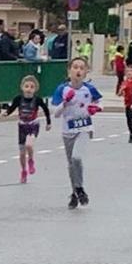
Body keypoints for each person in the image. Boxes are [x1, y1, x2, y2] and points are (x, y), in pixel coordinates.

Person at [50, 56, 103, 210]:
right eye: (75, 67)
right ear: (69, 70)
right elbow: (56, 113)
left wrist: (96, 108)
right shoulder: (62, 89)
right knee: (71, 164)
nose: (78, 71)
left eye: (81, 68)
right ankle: (75, 192)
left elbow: (99, 102)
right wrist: (65, 102)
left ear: (86, 72)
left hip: (84, 128)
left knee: (77, 157)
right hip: (68, 129)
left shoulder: (89, 89)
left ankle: (79, 188)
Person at [4, 73, 46, 184]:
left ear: (35, 89)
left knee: (29, 145)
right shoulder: (18, 99)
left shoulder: (37, 100)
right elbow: (12, 107)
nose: (29, 89)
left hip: (33, 125)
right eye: (26, 86)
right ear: (22, 87)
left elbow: (45, 109)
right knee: (22, 152)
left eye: (32, 87)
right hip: (22, 126)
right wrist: (7, 113)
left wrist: (49, 123)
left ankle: (31, 160)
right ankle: (23, 171)